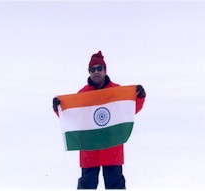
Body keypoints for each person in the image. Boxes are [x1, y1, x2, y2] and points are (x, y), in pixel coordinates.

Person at [53, 51, 146, 189]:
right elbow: (71, 116)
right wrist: (58, 107)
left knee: (115, 184)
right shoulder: (83, 94)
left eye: (99, 68)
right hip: (90, 147)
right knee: (87, 184)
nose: (96, 72)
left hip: (112, 146)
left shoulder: (116, 91)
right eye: (92, 69)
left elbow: (130, 111)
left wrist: (139, 97)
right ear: (89, 72)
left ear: (105, 70)